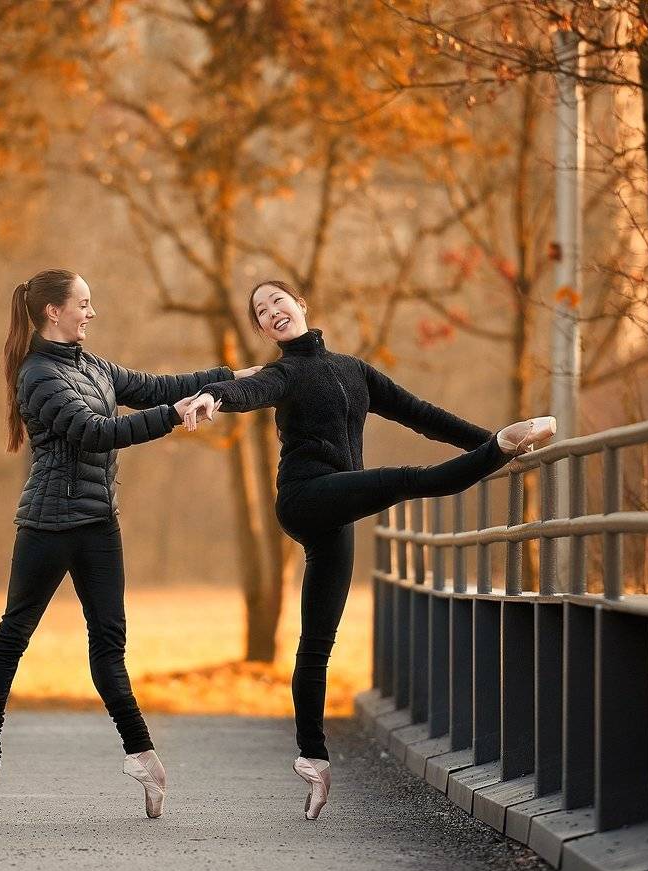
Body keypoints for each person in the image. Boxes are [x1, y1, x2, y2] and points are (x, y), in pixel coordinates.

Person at [182, 279, 554, 819]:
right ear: (262, 330)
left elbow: (422, 415)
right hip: (306, 498)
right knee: (405, 480)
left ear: (301, 303)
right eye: (261, 313)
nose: (272, 313)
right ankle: (500, 450)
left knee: (316, 644)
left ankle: (312, 761)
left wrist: (481, 434)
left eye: (277, 301)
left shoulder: (355, 371)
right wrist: (215, 394)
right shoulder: (282, 372)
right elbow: (249, 393)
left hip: (338, 510)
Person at [0, 268, 260, 822]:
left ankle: (141, 756)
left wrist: (234, 378)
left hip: (98, 523)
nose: (92, 312)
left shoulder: (94, 367)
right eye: (85, 303)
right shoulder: (38, 377)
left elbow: (157, 386)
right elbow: (96, 432)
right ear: (54, 311)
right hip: (48, 527)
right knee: (12, 637)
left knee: (109, 648)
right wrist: (173, 417)